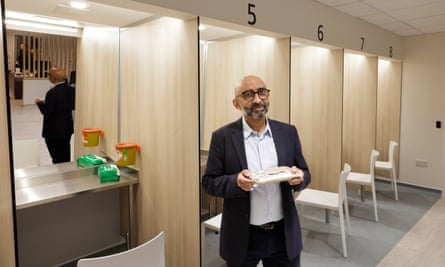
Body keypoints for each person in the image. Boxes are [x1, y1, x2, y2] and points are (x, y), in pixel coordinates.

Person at [202, 75, 311, 267]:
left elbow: (304, 172)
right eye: (248, 94)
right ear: (236, 103)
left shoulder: (288, 132)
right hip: (243, 236)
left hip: (283, 235)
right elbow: (209, 182)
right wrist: (235, 181)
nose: (258, 99)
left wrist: (300, 178)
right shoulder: (223, 137)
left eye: (262, 92)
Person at [35, 67, 74, 164]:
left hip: (53, 131)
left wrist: (39, 103)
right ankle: (66, 174)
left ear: (53, 78)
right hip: (66, 128)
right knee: (65, 154)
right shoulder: (72, 90)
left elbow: (47, 112)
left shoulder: (52, 93)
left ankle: (59, 174)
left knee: (56, 157)